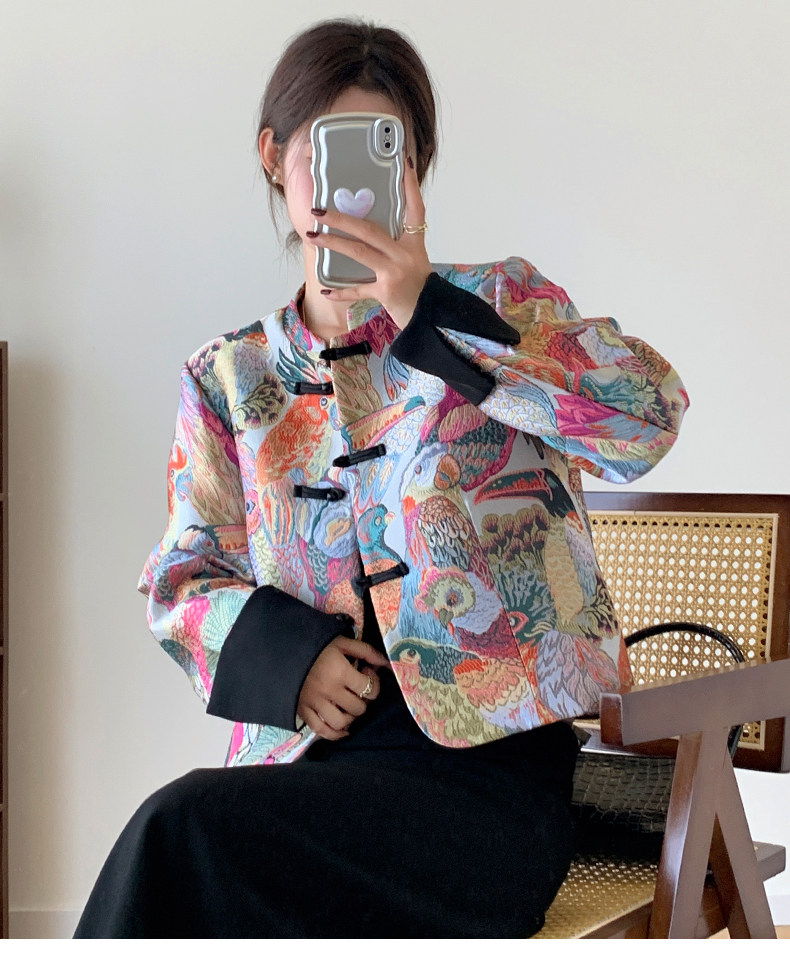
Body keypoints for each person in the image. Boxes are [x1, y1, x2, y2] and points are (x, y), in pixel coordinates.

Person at [75, 18, 688, 939]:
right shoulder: (230, 377)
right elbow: (182, 581)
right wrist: (293, 661)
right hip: (304, 764)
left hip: (488, 789)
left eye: (381, 151)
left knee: (181, 832)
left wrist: (428, 311)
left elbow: (647, 415)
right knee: (200, 849)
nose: (349, 190)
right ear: (275, 158)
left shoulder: (501, 306)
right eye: (324, 153)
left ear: (415, 168)